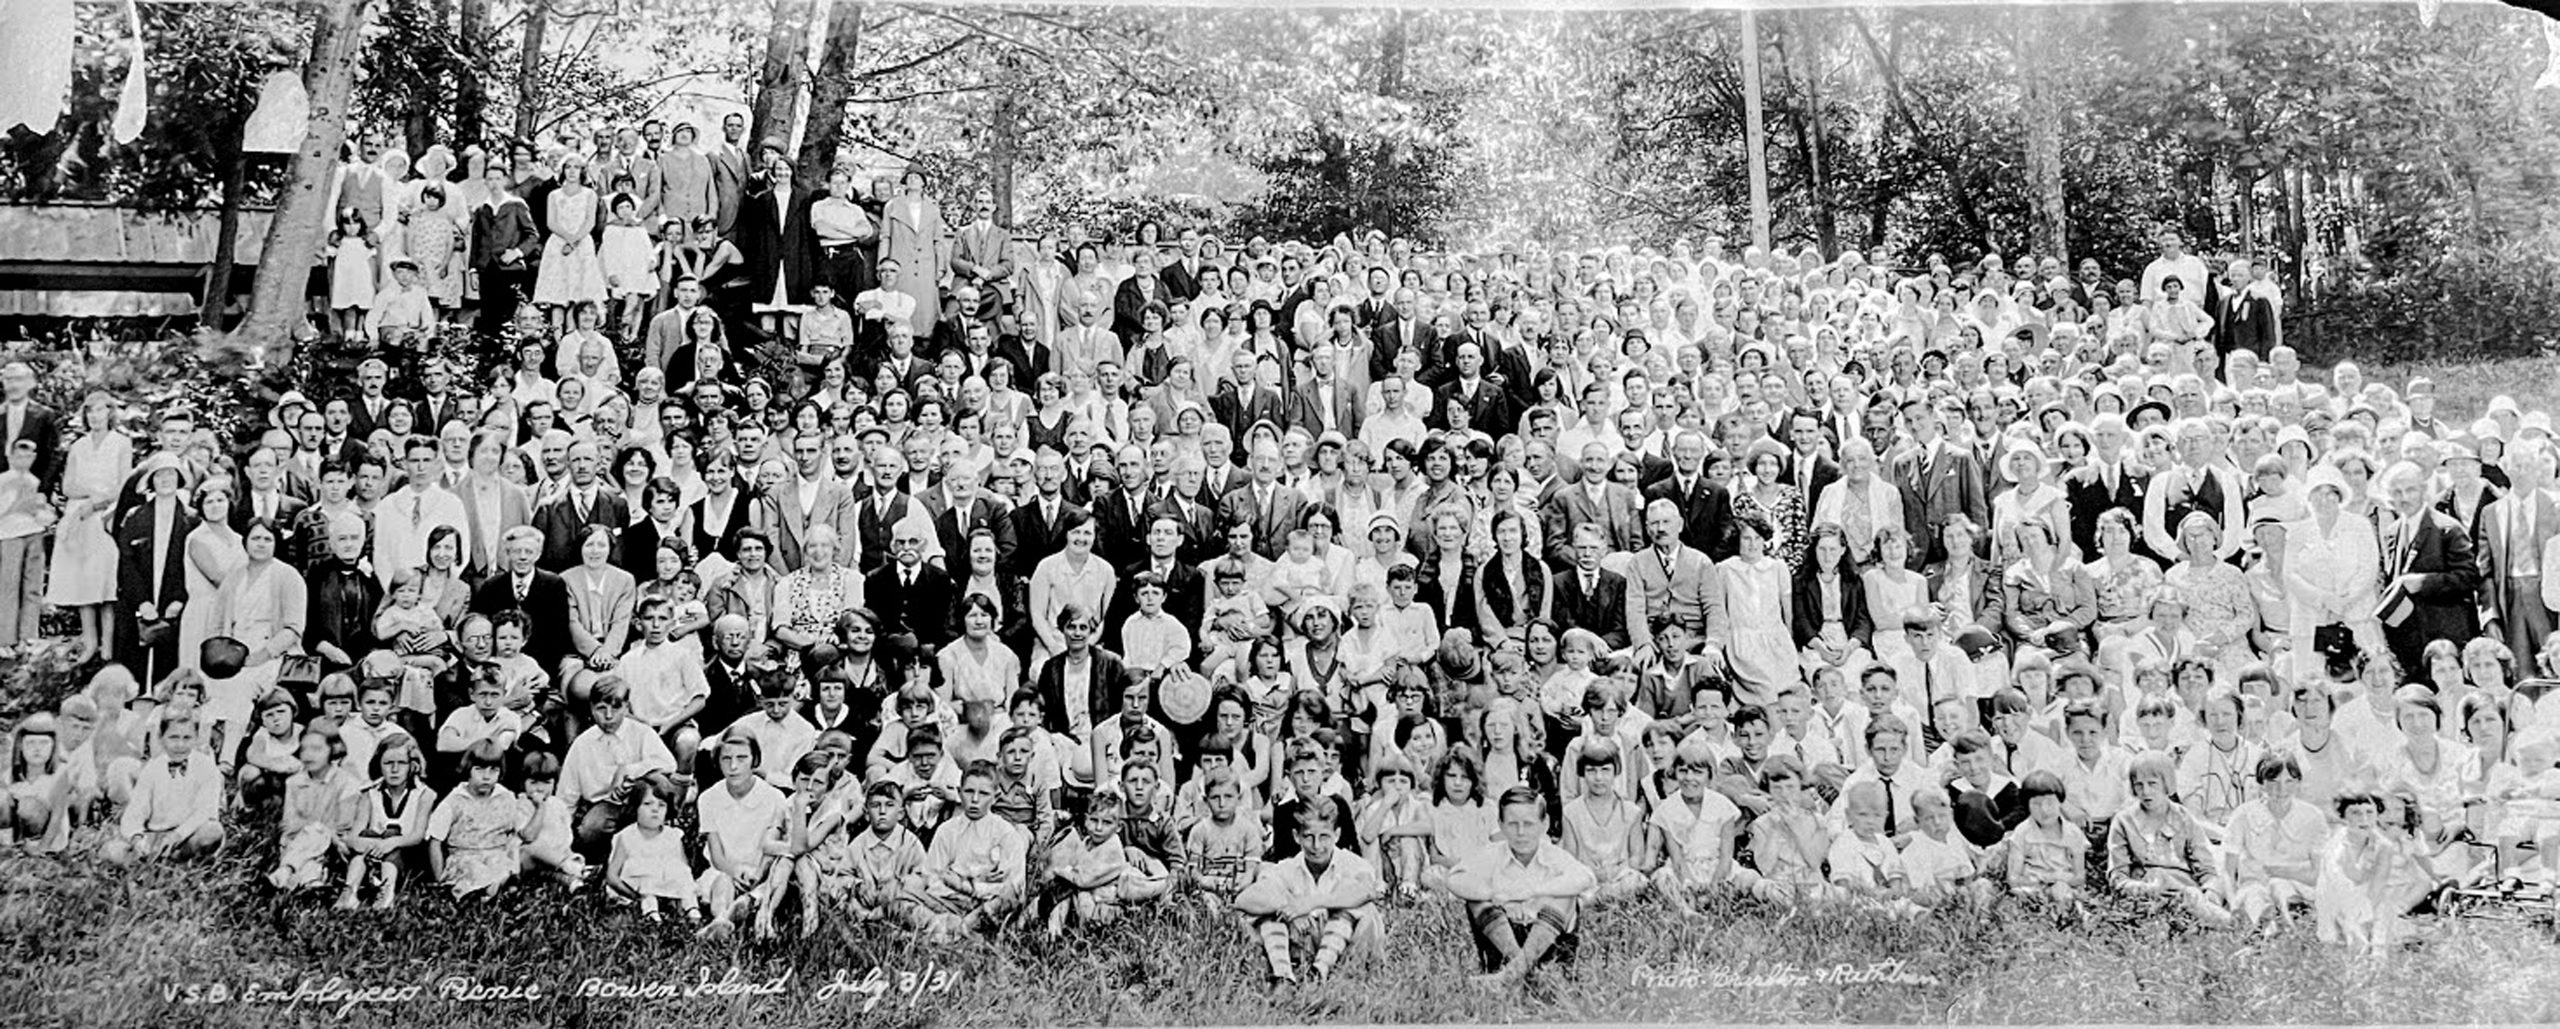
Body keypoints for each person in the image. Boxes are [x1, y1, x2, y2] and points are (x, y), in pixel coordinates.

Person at [1445, 785, 1597, 987]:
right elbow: (1454, 879)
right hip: (1504, 946)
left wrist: (1531, 891)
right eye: (1512, 824)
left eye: (1529, 824)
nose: (1521, 832)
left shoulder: (1554, 856)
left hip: (1550, 949)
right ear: (1500, 824)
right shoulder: (1492, 854)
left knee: (1566, 896)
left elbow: (1585, 878)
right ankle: (1527, 974)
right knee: (1477, 900)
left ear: (1544, 824)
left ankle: (1511, 976)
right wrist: (1499, 893)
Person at [1234, 798, 1384, 987]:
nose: (1316, 846)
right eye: (1308, 837)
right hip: (1303, 944)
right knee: (1265, 911)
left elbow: (1366, 891)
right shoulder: (1288, 867)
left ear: (1337, 835)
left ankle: (1324, 972)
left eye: (1324, 837)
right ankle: (1283, 976)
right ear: (1296, 836)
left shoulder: (1353, 863)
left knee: (1363, 908)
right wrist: (1288, 907)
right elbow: (1243, 900)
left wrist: (1312, 902)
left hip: (1346, 946)